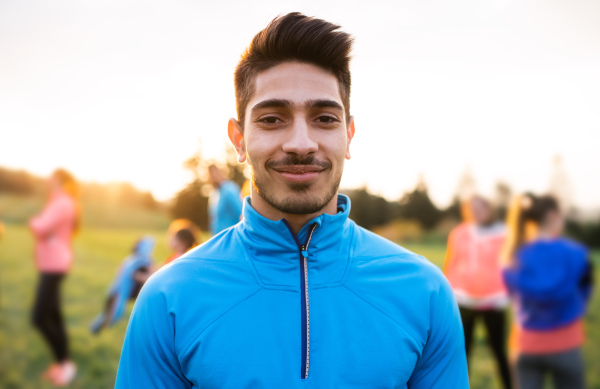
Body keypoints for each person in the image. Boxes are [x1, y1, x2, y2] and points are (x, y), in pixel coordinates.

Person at [116, 13, 468, 388]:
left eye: (324, 118)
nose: (301, 143)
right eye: (272, 118)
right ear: (238, 139)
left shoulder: (424, 292)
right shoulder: (168, 298)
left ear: (349, 135)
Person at [501, 194, 593, 389]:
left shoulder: (512, 256)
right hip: (567, 344)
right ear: (552, 215)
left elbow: (510, 293)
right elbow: (585, 290)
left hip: (526, 345)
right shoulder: (576, 253)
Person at [444, 196, 513, 389]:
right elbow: (452, 263)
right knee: (462, 352)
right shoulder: (458, 233)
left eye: (480, 207)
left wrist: (507, 293)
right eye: (472, 208)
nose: (476, 211)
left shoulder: (504, 233)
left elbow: (512, 266)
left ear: (489, 209)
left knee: (499, 350)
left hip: (494, 301)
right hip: (464, 300)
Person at [29, 169, 79, 387]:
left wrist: (34, 221)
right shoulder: (59, 201)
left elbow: (41, 227)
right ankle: (64, 363)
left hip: (54, 264)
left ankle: (65, 364)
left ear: (60, 180)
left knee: (39, 317)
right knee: (55, 315)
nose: (48, 179)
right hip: (52, 262)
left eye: (52, 176)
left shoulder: (63, 202)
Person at [89, 236, 155, 334]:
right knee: (114, 315)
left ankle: (96, 329)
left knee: (110, 314)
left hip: (115, 291)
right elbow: (151, 273)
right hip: (118, 293)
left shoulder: (131, 259)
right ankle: (95, 330)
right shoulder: (141, 261)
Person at [207, 164, 243, 235]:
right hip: (218, 238)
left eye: (215, 173)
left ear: (221, 172)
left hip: (231, 237)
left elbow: (241, 212)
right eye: (210, 174)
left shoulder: (230, 189)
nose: (213, 176)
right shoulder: (215, 193)